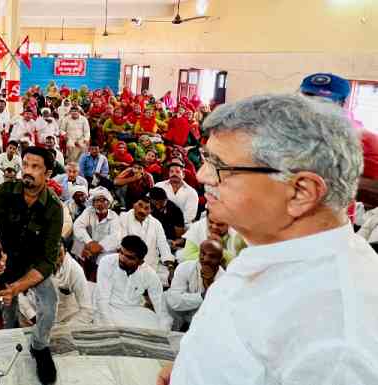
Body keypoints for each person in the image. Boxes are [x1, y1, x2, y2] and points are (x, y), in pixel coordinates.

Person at [158, 94, 378, 385]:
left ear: (301, 192)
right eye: (206, 159)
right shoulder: (273, 245)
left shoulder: (335, 340)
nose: (201, 175)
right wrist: (193, 367)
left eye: (220, 166)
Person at [0, 146, 62, 385]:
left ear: (48, 173)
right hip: (6, 260)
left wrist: (17, 286)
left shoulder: (53, 208)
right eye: (25, 165)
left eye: (35, 167)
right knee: (8, 311)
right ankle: (10, 345)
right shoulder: (3, 192)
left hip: (33, 265)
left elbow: (47, 262)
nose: (27, 172)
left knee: (49, 304)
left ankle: (39, 347)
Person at [93, 235, 171, 330]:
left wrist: (164, 331)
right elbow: (102, 299)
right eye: (121, 253)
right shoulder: (107, 262)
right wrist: (111, 328)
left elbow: (160, 306)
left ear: (140, 262)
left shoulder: (149, 274)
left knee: (155, 323)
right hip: (109, 308)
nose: (122, 258)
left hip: (134, 311)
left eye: (129, 257)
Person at [18, 243, 92, 327]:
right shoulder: (28, 263)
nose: (56, 260)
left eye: (60, 255)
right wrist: (32, 315)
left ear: (65, 251)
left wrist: (65, 328)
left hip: (66, 322)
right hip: (33, 317)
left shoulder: (74, 270)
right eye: (51, 255)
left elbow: (87, 309)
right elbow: (15, 292)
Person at [165, 240, 224, 331]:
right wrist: (202, 296)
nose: (206, 259)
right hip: (178, 315)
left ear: (220, 260)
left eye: (212, 257)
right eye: (203, 254)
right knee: (166, 297)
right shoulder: (184, 267)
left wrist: (209, 284)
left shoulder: (224, 279)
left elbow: (216, 310)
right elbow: (174, 301)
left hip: (203, 323)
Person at [118, 196, 175, 285]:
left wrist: (170, 267)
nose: (142, 210)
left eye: (146, 208)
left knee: (173, 280)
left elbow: (163, 246)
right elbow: (122, 243)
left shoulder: (156, 223)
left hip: (152, 266)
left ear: (150, 211)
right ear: (134, 205)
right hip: (129, 264)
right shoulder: (123, 218)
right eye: (140, 205)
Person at [72, 187, 122, 282]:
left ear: (108, 202)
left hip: (105, 249)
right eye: (97, 201)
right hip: (89, 246)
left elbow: (115, 237)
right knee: (78, 244)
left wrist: (99, 247)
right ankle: (81, 278)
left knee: (103, 261)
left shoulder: (114, 216)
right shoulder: (88, 212)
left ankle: (94, 281)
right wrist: (89, 242)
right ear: (93, 203)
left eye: (103, 200)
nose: (100, 204)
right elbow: (78, 226)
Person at [178, 215, 245, 264]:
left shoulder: (239, 235)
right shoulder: (198, 228)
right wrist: (211, 249)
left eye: (220, 224)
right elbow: (187, 258)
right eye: (211, 222)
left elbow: (240, 264)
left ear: (229, 224)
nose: (214, 227)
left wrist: (220, 250)